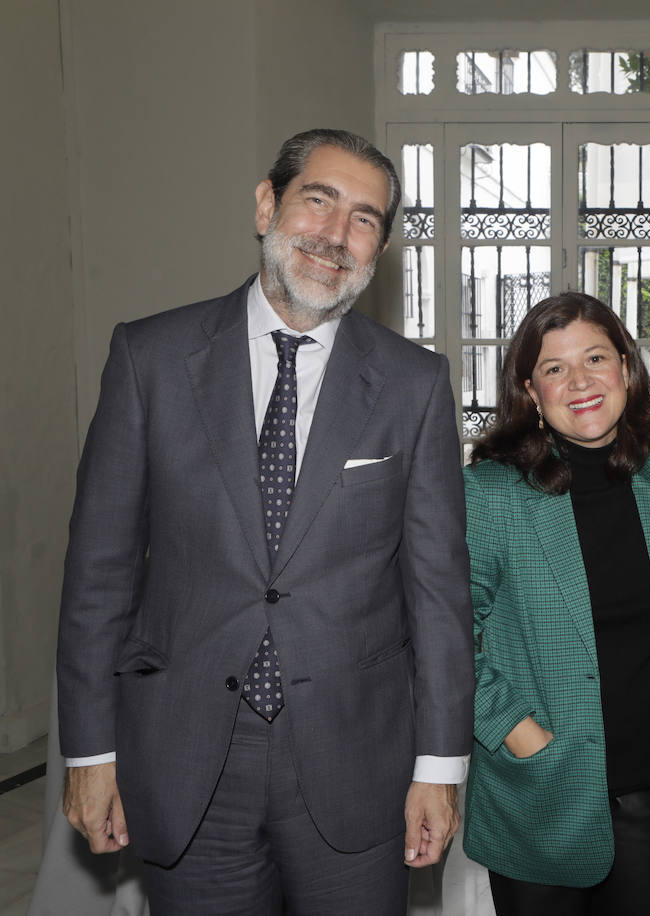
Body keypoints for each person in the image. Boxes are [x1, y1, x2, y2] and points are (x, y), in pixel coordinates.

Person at [55, 128, 474, 915]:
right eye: (319, 200)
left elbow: (440, 596)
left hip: (357, 758)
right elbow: (98, 574)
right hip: (184, 754)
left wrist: (441, 767)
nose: (336, 235)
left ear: (380, 248)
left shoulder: (415, 385)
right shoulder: (150, 359)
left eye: (365, 219)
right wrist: (91, 749)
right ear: (265, 205)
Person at [460, 292, 650, 915]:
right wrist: (517, 733)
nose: (581, 382)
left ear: (626, 368)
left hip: (649, 792)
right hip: (539, 791)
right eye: (554, 368)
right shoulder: (491, 494)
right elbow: (445, 635)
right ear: (530, 391)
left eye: (596, 358)